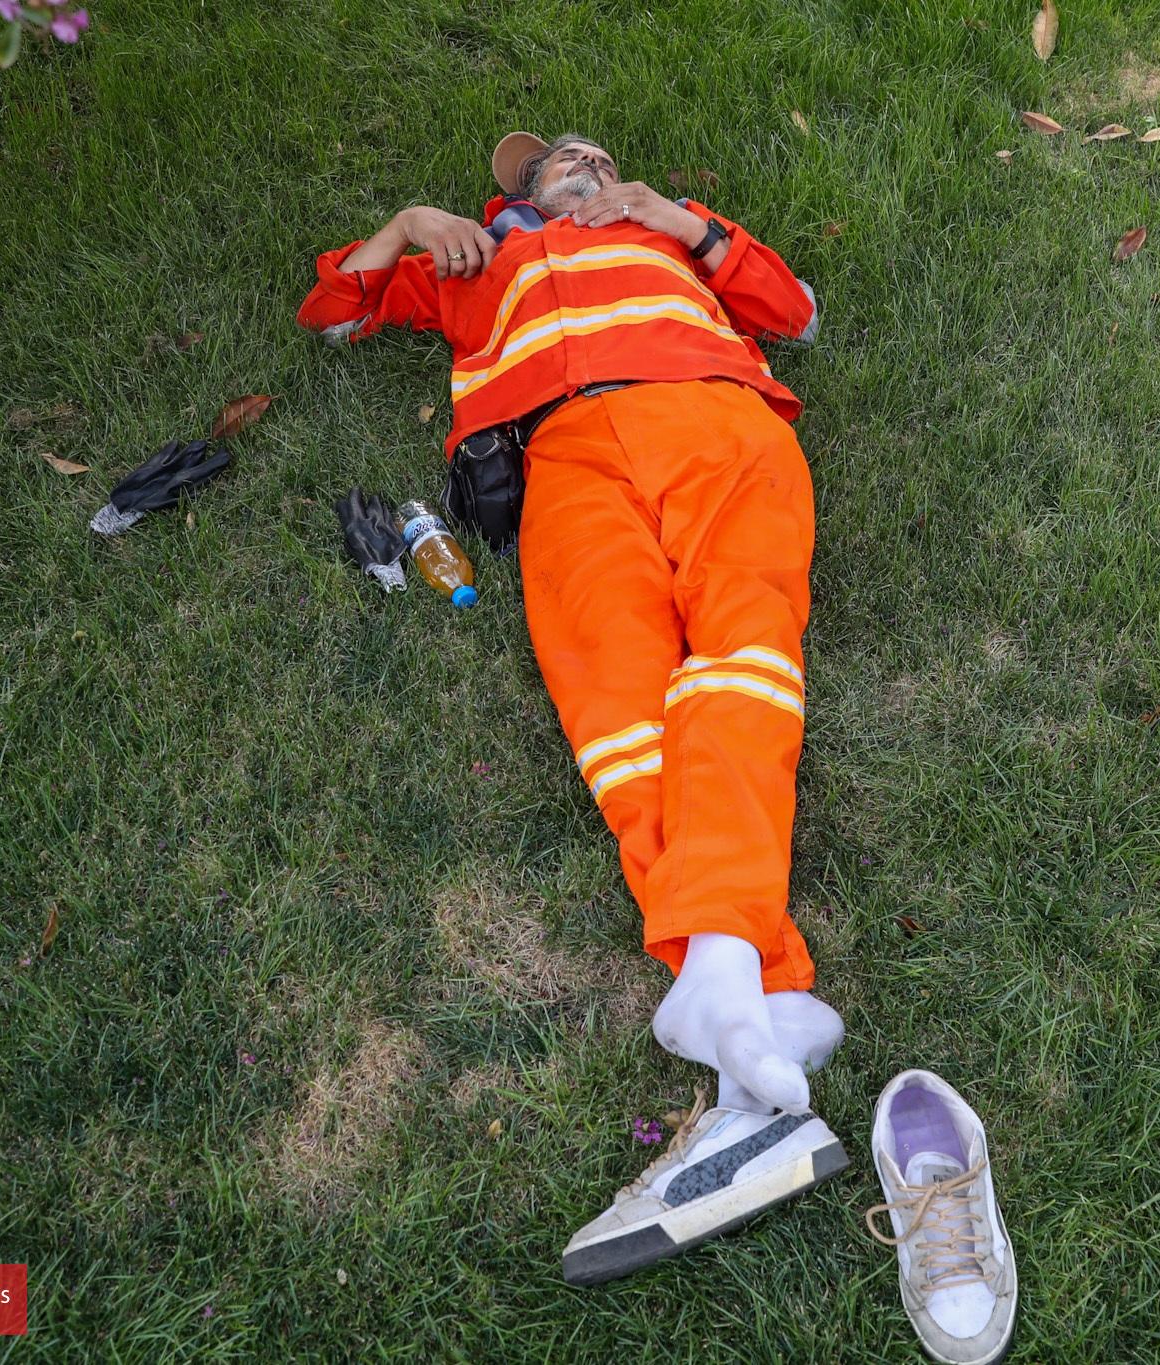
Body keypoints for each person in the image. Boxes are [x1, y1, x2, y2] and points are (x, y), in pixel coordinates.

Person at [296, 131, 849, 1283]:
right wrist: (406, 227)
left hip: (715, 420)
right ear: (515, 194)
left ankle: (726, 988)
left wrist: (678, 219)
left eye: (591, 153)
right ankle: (746, 993)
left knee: (742, 663)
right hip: (564, 458)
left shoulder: (666, 230)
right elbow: (334, 316)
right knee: (617, 712)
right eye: (550, 160)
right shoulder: (474, 260)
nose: (574, 158)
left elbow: (793, 313)